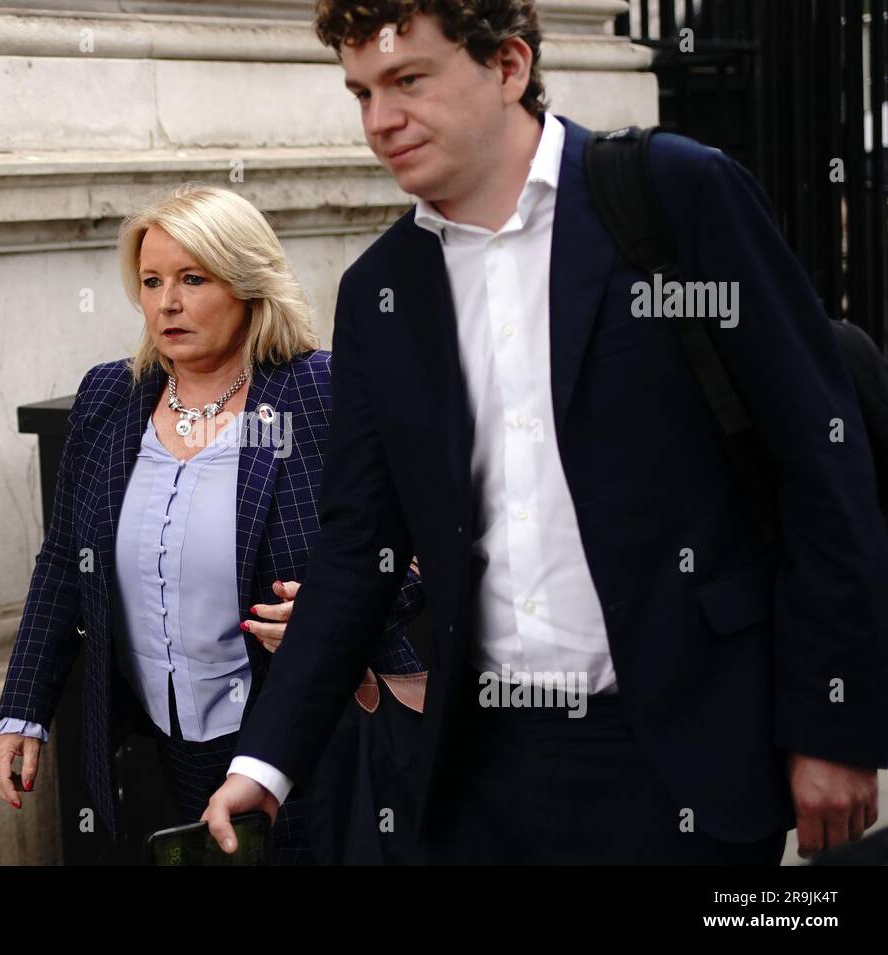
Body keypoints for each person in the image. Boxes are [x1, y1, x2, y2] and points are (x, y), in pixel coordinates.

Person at [204, 0, 888, 864]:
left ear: (509, 66)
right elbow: (356, 546)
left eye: (408, 80)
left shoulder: (674, 194)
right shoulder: (381, 289)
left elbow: (821, 462)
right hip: (480, 771)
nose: (381, 121)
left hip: (677, 757)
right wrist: (265, 761)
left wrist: (833, 723)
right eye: (362, 94)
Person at [0, 184, 423, 864]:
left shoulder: (319, 391)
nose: (166, 302)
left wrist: (339, 611)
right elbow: (64, 562)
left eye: (193, 279)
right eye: (152, 280)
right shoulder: (110, 396)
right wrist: (23, 708)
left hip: (323, 734)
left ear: (249, 284)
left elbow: (421, 550)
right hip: (177, 751)